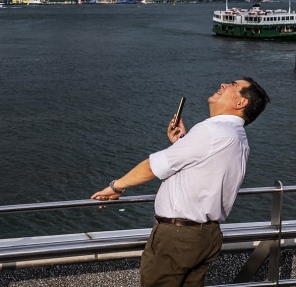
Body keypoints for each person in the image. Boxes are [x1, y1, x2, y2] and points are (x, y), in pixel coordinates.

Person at [91, 78, 270, 287]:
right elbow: (206, 167)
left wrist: (116, 186)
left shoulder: (211, 131)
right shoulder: (237, 136)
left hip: (178, 237)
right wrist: (182, 141)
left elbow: (152, 167)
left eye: (232, 85)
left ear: (240, 103)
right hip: (206, 235)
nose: (223, 84)